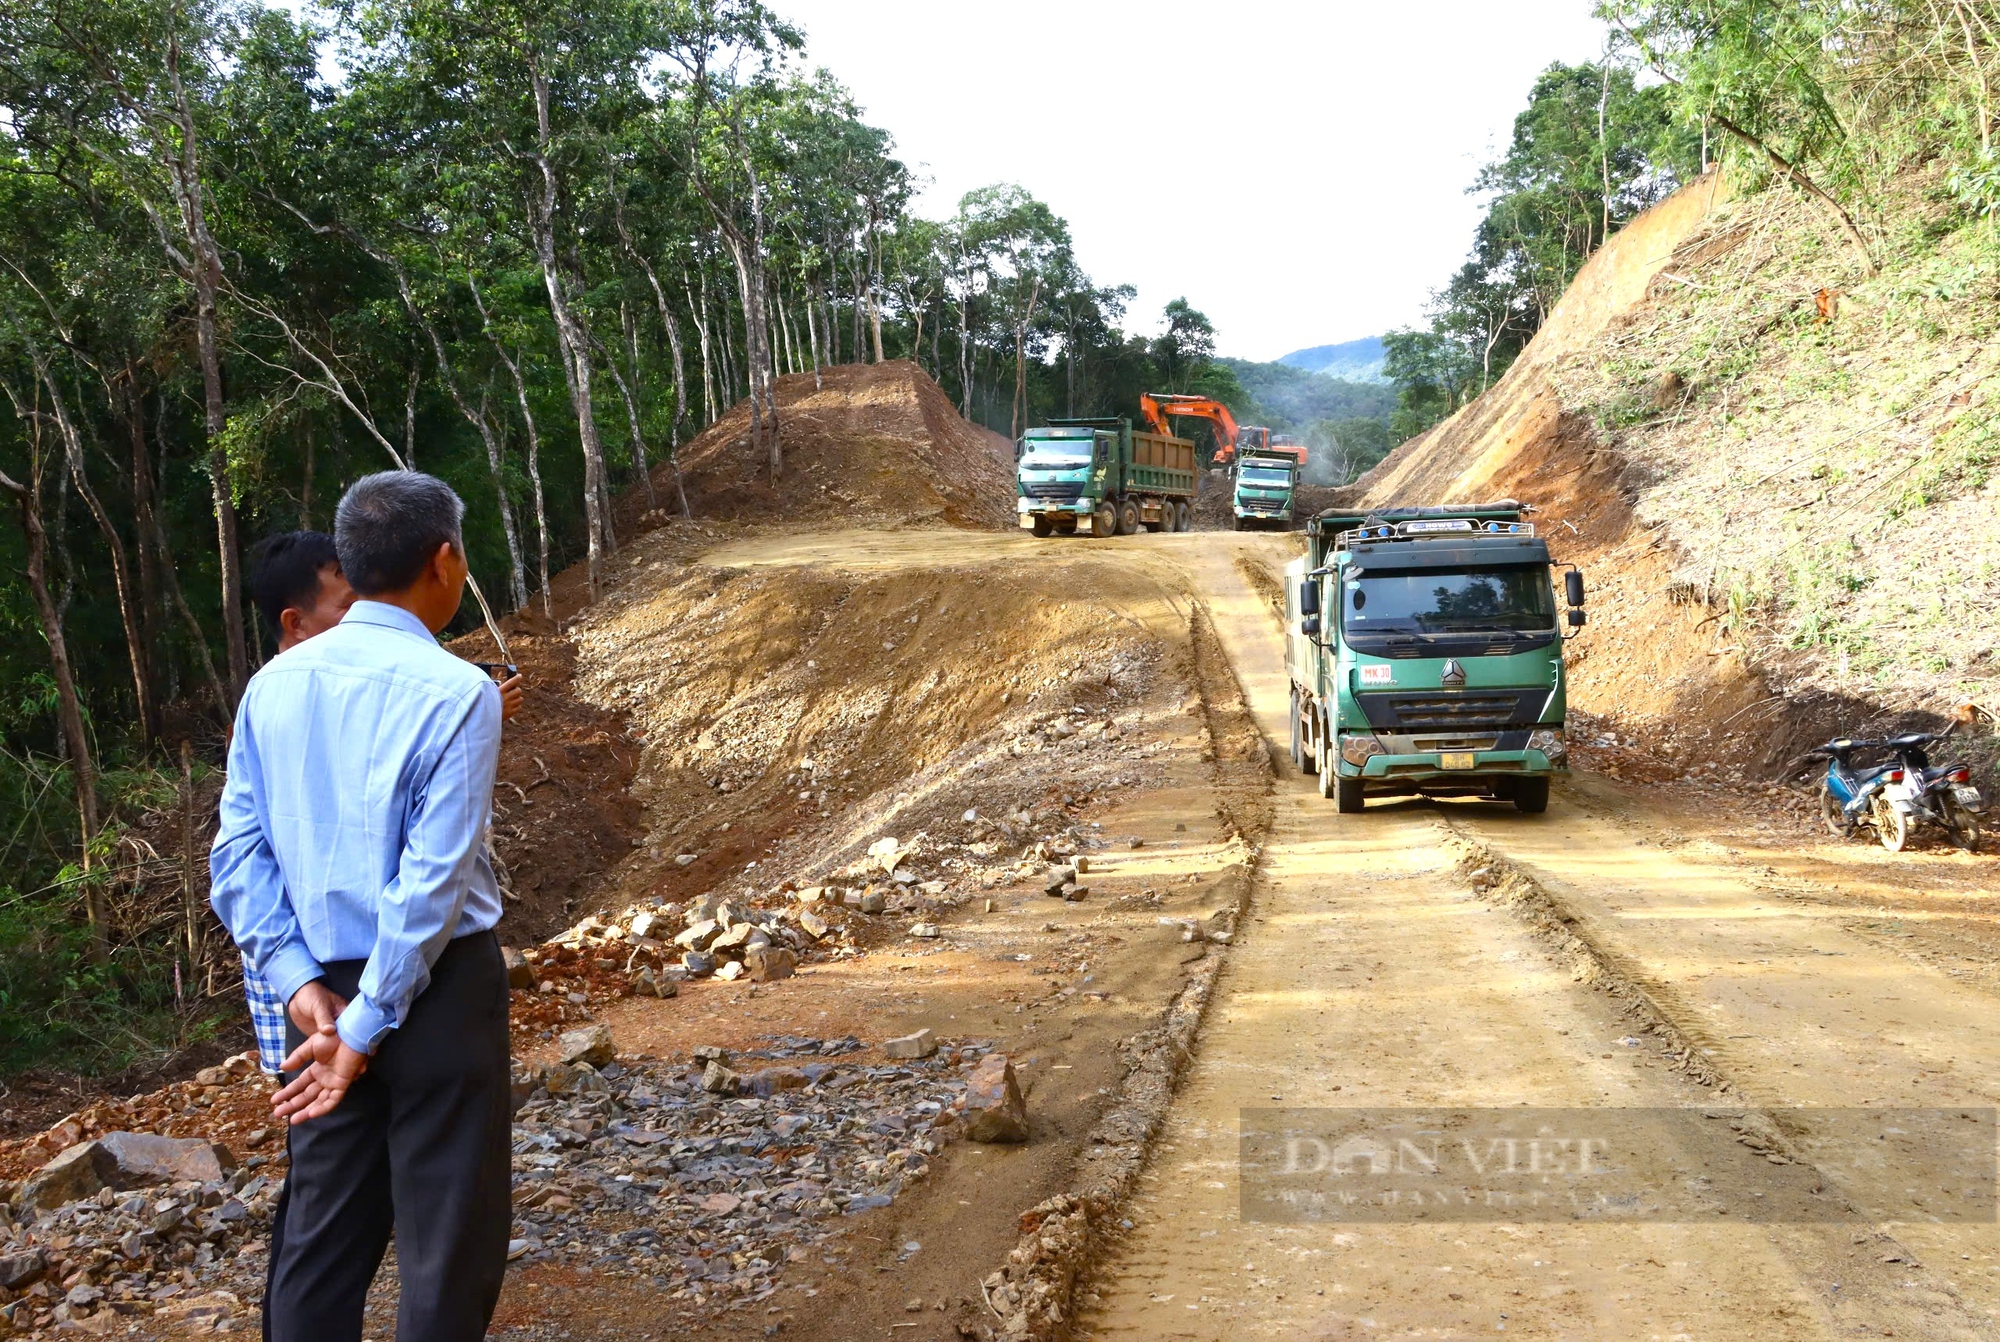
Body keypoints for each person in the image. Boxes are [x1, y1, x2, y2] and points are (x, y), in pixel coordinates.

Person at [212, 473, 513, 1341]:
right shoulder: (459, 691)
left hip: (319, 990)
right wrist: (366, 1025)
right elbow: (432, 883)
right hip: (438, 989)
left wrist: (298, 982)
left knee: (324, 1229)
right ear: (444, 561)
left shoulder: (274, 686)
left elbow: (236, 856)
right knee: (446, 1235)